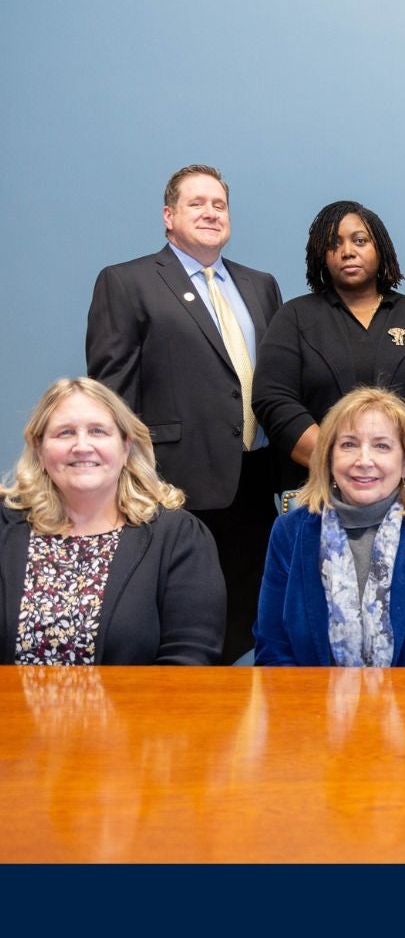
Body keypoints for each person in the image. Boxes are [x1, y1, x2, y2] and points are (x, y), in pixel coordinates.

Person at [86, 164, 282, 664]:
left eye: (219, 205)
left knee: (248, 623)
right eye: (197, 204)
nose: (211, 213)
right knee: (186, 627)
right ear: (168, 217)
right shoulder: (127, 282)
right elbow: (112, 395)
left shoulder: (260, 286)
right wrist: (130, 475)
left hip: (256, 480)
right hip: (174, 482)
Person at [0, 378, 225, 665]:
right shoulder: (5, 527)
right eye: (65, 433)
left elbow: (189, 660)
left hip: (137, 710)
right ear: (39, 447)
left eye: (98, 431)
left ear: (125, 445)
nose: (82, 446)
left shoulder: (178, 537)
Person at [253, 387, 405, 667]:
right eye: (348, 444)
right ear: (329, 457)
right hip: (312, 705)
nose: (364, 461)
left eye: (382, 446)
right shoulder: (289, 532)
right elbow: (274, 653)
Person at [252, 199, 405, 490]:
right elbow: (273, 400)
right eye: (334, 244)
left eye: (360, 241)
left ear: (380, 248)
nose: (348, 252)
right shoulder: (294, 318)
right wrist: (337, 464)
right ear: (321, 255)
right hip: (318, 490)